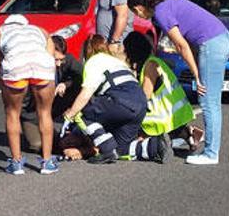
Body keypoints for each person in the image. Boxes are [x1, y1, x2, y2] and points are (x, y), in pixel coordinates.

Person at [127, 0, 229, 166]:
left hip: (212, 44)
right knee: (211, 100)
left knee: (208, 101)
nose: (138, 17)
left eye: (135, 13)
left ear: (138, 8)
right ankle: (200, 142)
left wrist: (196, 74)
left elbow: (182, 45)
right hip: (221, 38)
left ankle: (211, 153)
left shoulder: (160, 12)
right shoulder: (166, 4)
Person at [62, 35, 170, 164]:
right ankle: (155, 146)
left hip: (121, 100)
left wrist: (70, 115)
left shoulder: (94, 61)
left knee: (82, 112)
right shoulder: (117, 62)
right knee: (120, 148)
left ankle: (106, 149)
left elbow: (86, 95)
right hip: (139, 104)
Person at [0, 15, 59, 175]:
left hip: (15, 66)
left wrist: (3, 87)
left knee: (12, 113)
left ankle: (16, 163)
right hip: (42, 64)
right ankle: (47, 162)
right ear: (25, 24)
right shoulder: (40, 31)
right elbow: (50, 55)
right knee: (44, 112)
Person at [124, 32, 203, 152]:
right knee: (173, 131)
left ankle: (181, 135)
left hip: (162, 117)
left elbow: (144, 97)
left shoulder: (150, 66)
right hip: (173, 113)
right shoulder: (153, 61)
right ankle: (189, 133)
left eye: (125, 50)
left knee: (136, 141)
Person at [20, 35, 83, 152]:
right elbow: (23, 104)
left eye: (61, 60)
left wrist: (66, 83)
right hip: (32, 114)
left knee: (80, 88)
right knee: (38, 145)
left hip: (50, 109)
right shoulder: (32, 69)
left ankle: (75, 128)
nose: (59, 64)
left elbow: (82, 75)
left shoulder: (67, 60)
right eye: (55, 59)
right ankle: (35, 132)